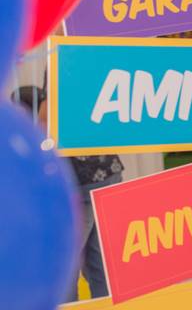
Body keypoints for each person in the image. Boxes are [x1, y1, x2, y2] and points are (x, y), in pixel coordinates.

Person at [13, 85, 124, 301]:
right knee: (99, 260)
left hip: (83, 184)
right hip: (107, 174)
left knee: (67, 262)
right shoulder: (73, 96)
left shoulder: (44, 123)